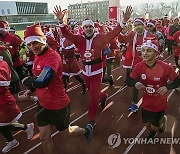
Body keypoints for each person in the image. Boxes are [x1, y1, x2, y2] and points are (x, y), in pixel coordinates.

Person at [53, 5, 132, 142]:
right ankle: (104, 95)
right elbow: (66, 34)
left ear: (93, 28)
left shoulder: (100, 37)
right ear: (82, 29)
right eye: (85, 27)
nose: (88, 28)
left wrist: (123, 21)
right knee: (93, 92)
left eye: (90, 26)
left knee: (92, 98)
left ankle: (91, 122)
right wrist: (61, 22)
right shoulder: (80, 39)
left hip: (96, 71)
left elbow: (113, 33)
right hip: (86, 71)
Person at [21, 23, 86, 154]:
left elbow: (43, 81)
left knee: (66, 132)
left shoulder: (52, 57)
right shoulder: (37, 55)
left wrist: (26, 81)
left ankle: (86, 130)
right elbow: (38, 77)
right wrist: (31, 90)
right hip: (43, 105)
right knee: (44, 138)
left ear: (43, 40)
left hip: (58, 105)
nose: (32, 47)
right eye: (29, 44)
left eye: (35, 43)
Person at [126, 38, 180, 142]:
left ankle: (161, 123)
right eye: (143, 50)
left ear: (156, 53)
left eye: (149, 50)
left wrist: (166, 87)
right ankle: (152, 132)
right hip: (146, 103)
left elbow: (178, 81)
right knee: (147, 125)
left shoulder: (165, 67)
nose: (145, 53)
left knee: (156, 127)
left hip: (159, 104)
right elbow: (129, 80)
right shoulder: (139, 66)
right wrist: (135, 82)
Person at [118, 17, 156, 112]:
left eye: (139, 25)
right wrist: (122, 31)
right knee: (136, 84)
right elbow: (123, 40)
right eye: (135, 25)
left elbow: (156, 49)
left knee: (149, 85)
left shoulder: (150, 35)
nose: (137, 27)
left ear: (144, 25)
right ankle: (135, 103)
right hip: (135, 64)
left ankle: (150, 102)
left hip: (148, 65)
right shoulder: (132, 34)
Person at [0, 55, 34, 153]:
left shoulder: (2, 65)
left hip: (3, 100)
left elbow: (2, 86)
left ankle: (23, 131)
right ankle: (23, 130)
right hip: (3, 99)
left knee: (2, 124)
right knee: (2, 124)